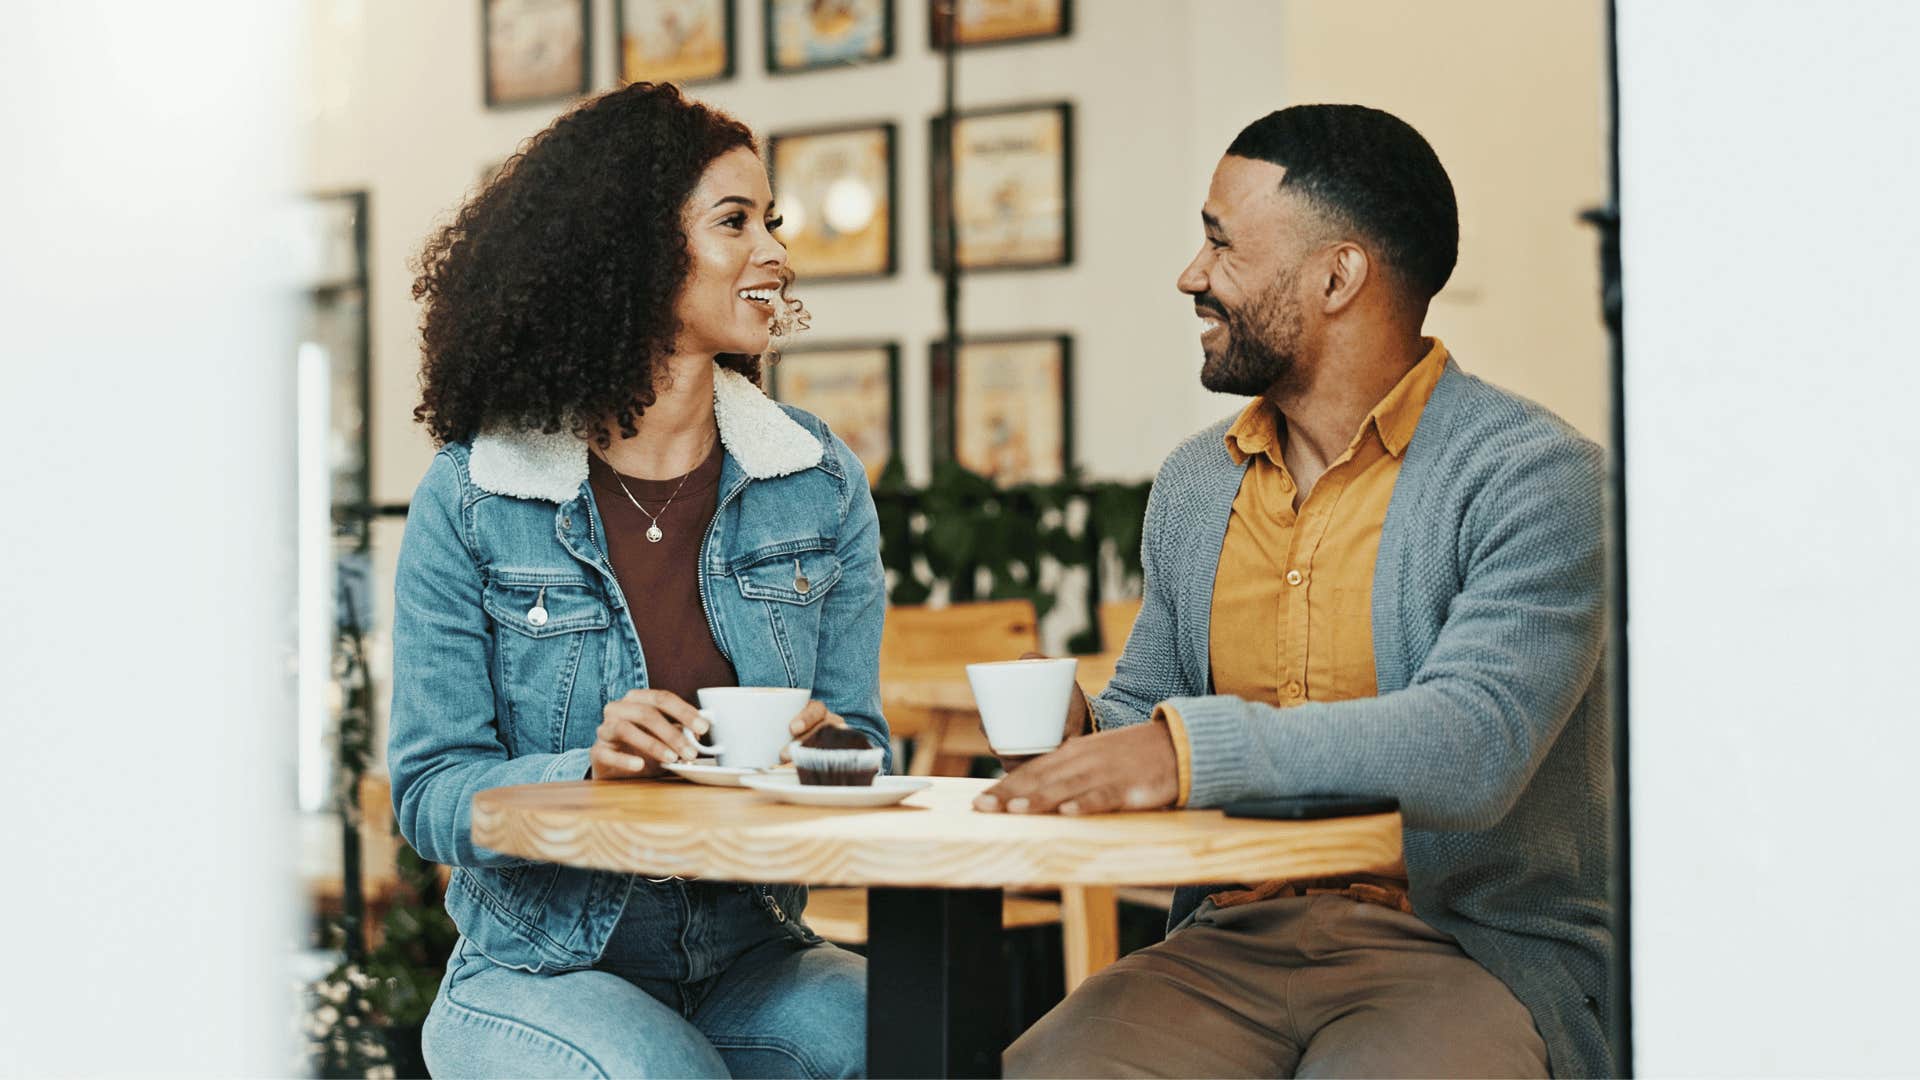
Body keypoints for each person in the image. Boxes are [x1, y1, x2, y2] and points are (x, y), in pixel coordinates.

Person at [981, 104, 1611, 1078]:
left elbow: (1473, 744)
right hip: (1230, 939)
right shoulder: (1198, 483)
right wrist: (1081, 738)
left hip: (1461, 952)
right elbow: (1145, 719)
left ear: (1336, 276)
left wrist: (1184, 750)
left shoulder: (1536, 477)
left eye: (1221, 242)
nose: (1192, 275)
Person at [388, 81, 887, 1079]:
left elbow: (864, 748)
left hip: (751, 954)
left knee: (911, 1034)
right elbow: (430, 793)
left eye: (774, 222)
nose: (777, 255)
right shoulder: (476, 497)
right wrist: (588, 771)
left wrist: (822, 751)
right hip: (536, 970)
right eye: (735, 222)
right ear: (631, 250)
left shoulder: (818, 484)